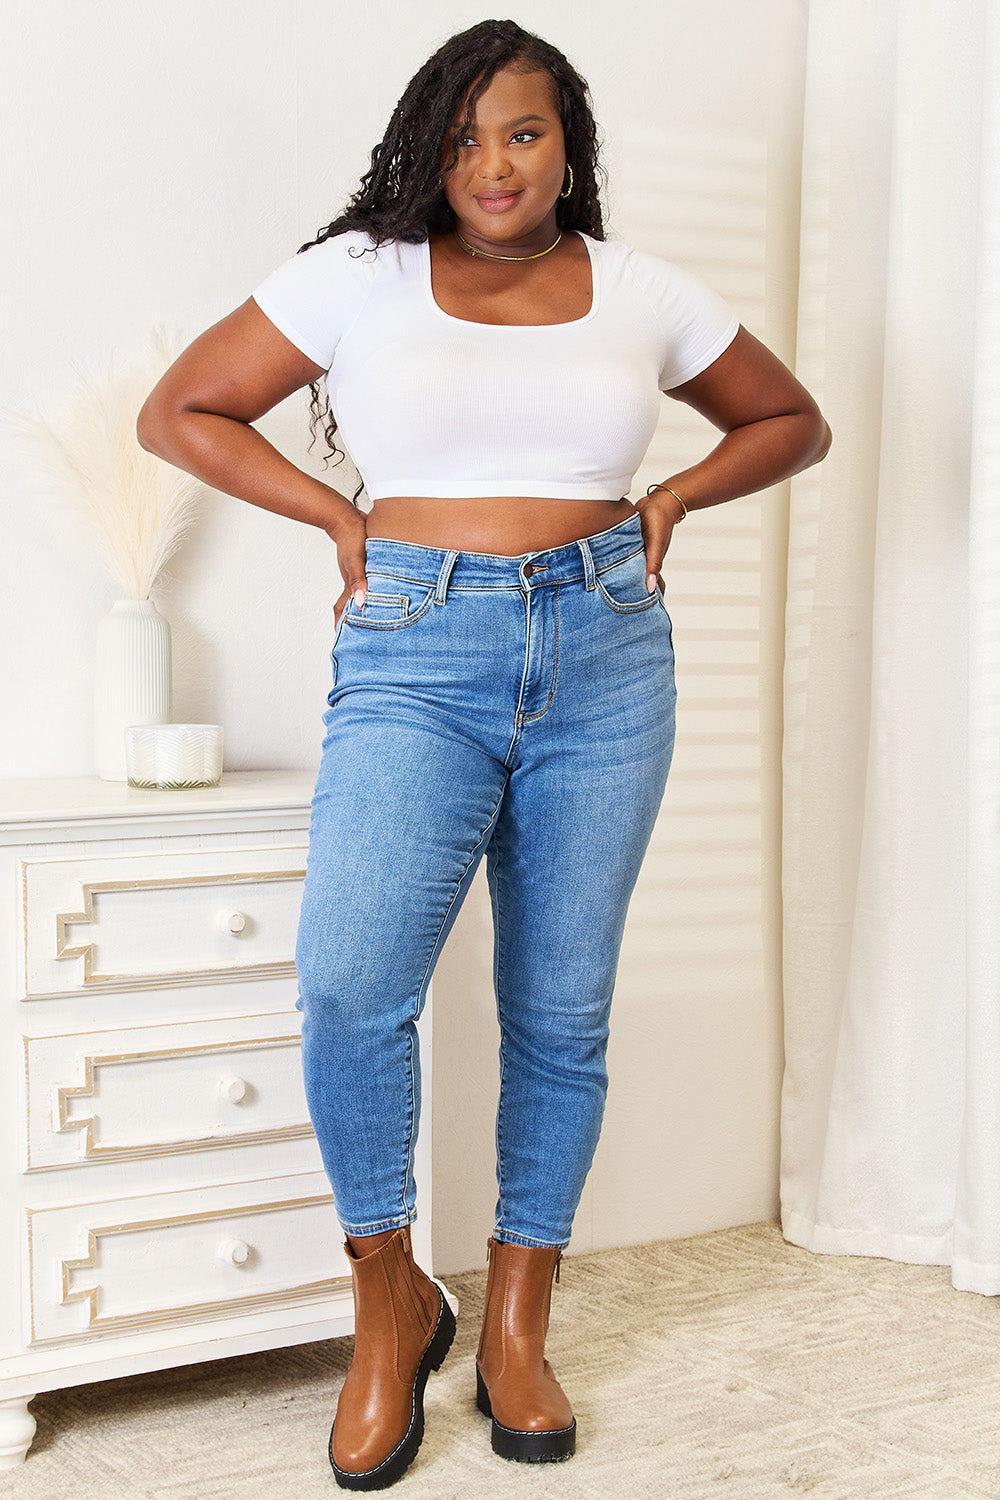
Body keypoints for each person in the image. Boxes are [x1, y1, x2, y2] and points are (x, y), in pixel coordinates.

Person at [137, 17, 830, 1490]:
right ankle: (389, 1300)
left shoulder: (641, 289)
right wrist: (340, 518)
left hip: (608, 655)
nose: (493, 165)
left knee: (560, 1007)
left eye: (522, 133)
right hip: (415, 649)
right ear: (426, 151)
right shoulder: (357, 277)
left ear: (568, 141)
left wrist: (678, 497)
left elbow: (790, 418)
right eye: (462, 139)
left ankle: (519, 1317)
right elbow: (182, 409)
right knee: (350, 981)